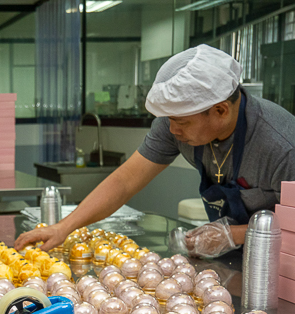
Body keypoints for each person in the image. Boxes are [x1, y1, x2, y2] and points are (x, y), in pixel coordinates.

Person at [15, 44, 295, 258]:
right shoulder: (177, 124)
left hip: (284, 262)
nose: (172, 131)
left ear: (220, 110)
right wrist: (63, 227)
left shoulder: (281, 145)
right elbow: (125, 181)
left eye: (181, 123)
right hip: (238, 257)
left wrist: (232, 234)